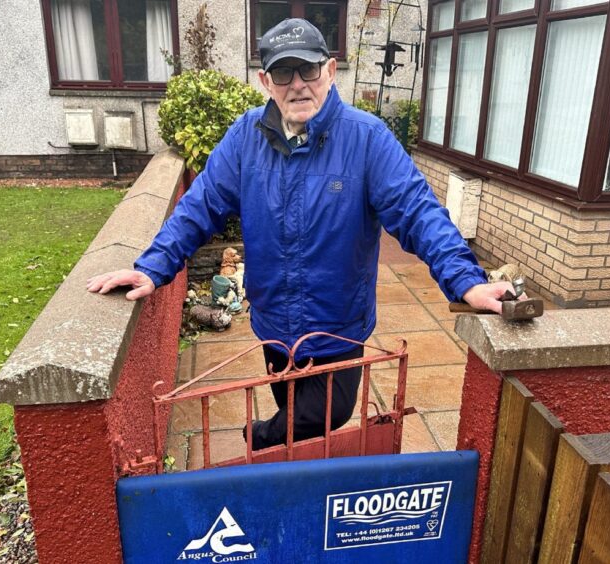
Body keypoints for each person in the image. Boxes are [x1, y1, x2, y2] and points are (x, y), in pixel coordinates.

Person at [87, 18, 520, 450]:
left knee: (326, 413)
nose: (298, 85)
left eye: (308, 70)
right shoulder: (245, 138)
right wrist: (152, 267)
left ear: (330, 71)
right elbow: (199, 208)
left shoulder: (367, 139)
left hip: (338, 325)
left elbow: (417, 211)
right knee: (294, 413)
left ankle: (259, 438)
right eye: (283, 73)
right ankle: (287, 458)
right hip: (274, 323)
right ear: (265, 81)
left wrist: (467, 281)